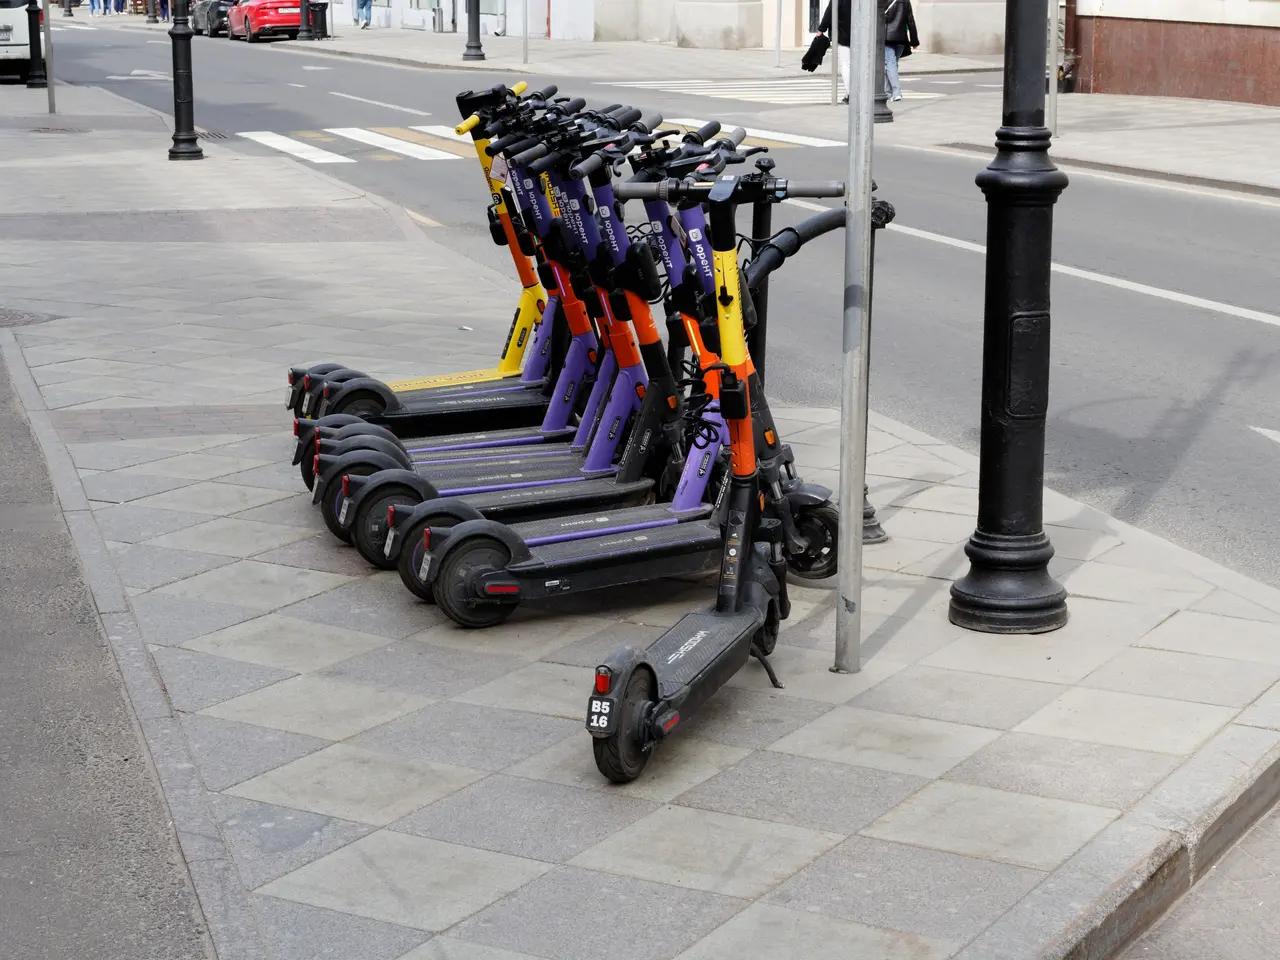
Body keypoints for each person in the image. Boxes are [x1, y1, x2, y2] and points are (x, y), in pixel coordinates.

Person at [884, 0, 921, 101]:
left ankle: (896, 92)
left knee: (890, 64)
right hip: (901, 38)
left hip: (887, 37)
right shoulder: (905, 1)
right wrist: (914, 41)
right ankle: (887, 92)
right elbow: (910, 21)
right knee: (891, 65)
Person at [816, 0, 851, 103]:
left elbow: (829, 12)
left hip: (842, 34)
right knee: (853, 65)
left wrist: (821, 29)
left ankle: (850, 93)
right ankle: (849, 93)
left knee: (845, 64)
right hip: (858, 33)